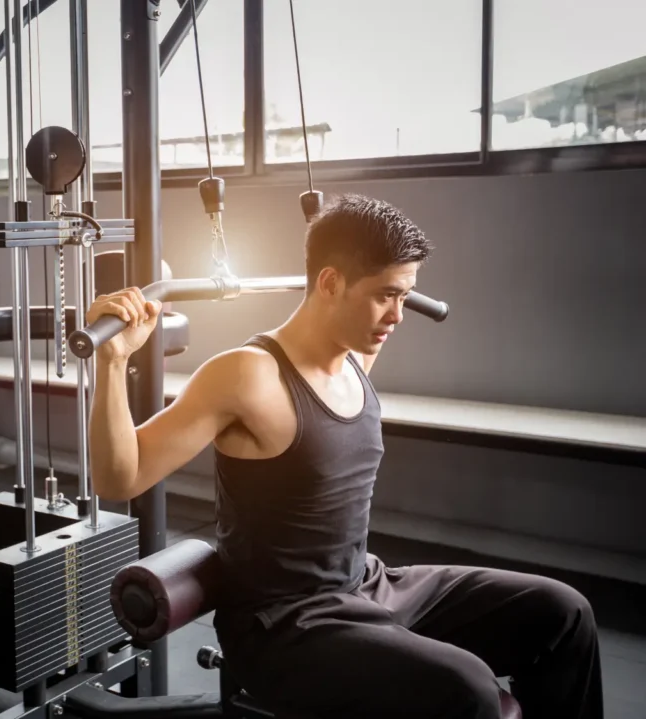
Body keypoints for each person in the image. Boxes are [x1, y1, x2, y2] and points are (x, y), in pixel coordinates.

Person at [86, 194, 603, 719]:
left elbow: (355, 252)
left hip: (366, 586)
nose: (399, 315)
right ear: (330, 283)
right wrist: (111, 360)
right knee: (468, 690)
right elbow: (118, 476)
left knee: (563, 613)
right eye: (386, 296)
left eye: (406, 296)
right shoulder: (246, 376)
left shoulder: (358, 353)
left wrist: (362, 260)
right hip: (285, 627)